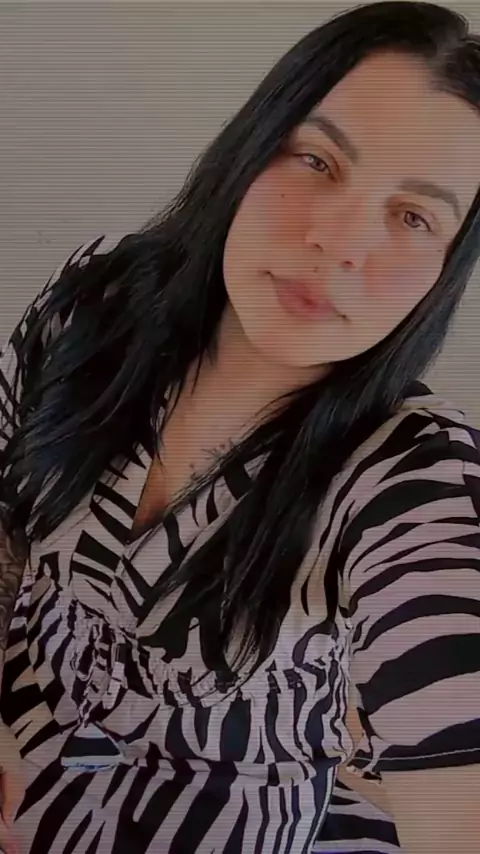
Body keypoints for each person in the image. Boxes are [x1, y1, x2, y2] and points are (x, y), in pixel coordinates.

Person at [0, 1, 479, 852]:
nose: (337, 242)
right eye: (317, 160)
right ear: (252, 146)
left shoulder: (410, 473)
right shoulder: (97, 301)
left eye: (413, 217)